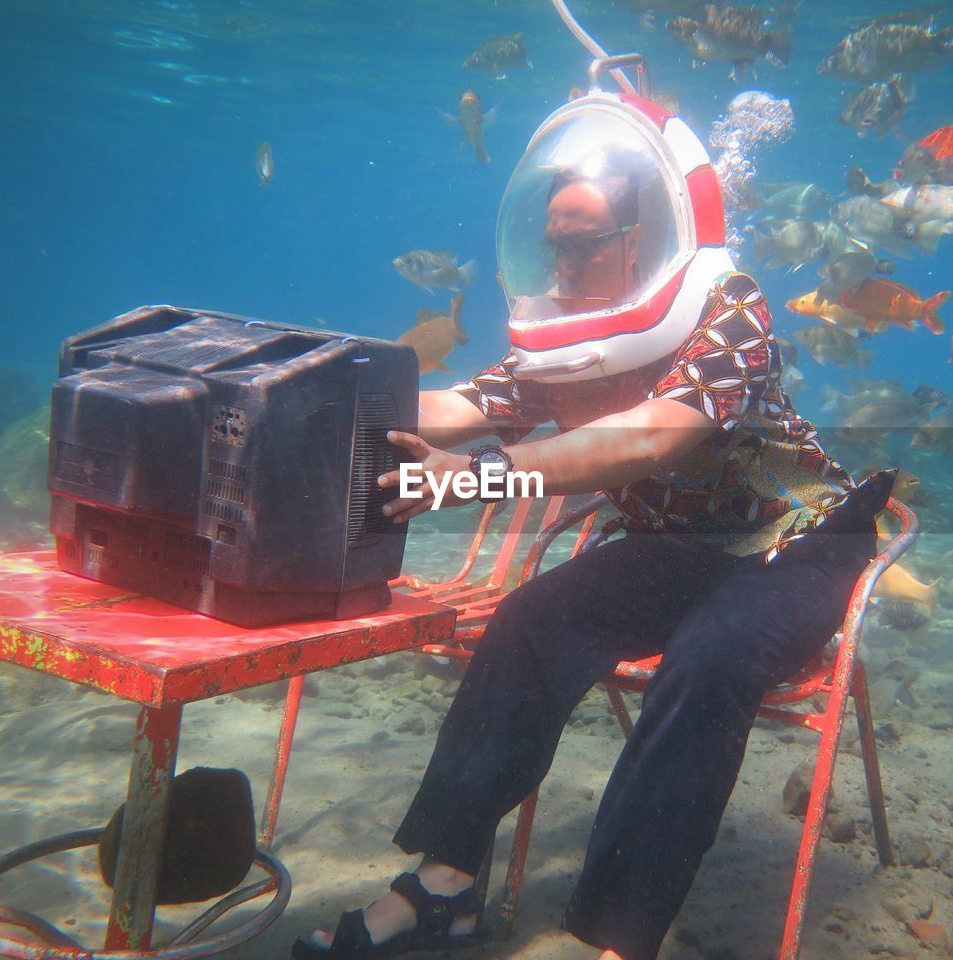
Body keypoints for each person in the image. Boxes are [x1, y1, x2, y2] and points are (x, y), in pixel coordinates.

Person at [293, 96, 892, 960]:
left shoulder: (730, 306)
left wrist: (484, 477)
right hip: (677, 550)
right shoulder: (568, 338)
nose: (564, 264)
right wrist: (315, 405)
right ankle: (446, 884)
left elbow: (653, 435)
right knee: (529, 620)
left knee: (712, 656)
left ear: (642, 241)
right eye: (555, 246)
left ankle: (615, 934)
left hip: (794, 538)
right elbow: (467, 402)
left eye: (584, 244)